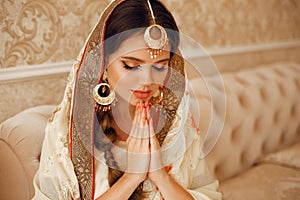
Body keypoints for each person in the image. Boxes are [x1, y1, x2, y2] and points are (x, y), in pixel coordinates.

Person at [33, 0, 222, 199]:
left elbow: (206, 193)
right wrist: (132, 177)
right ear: (103, 61)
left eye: (159, 67)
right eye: (131, 66)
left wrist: (159, 175)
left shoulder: (176, 123)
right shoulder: (66, 131)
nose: (147, 81)